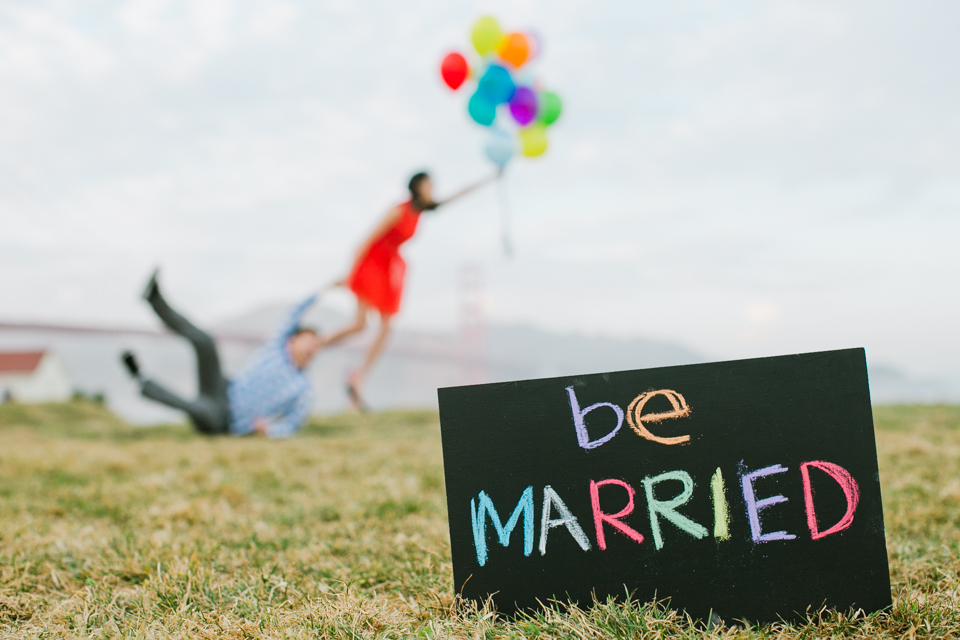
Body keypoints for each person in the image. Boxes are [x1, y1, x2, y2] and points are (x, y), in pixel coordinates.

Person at [324, 170, 498, 409]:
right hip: (373, 263)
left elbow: (457, 195)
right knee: (359, 325)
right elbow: (365, 241)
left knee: (384, 328)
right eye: (428, 185)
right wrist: (351, 274)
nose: (432, 189)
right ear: (417, 187)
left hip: (389, 267)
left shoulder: (421, 210)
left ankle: (358, 378)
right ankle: (317, 346)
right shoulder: (399, 210)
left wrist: (488, 178)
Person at [121, 271, 322, 438]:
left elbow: (292, 424)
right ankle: (155, 300)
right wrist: (324, 289)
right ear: (292, 341)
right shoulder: (275, 350)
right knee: (206, 343)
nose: (312, 349)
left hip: (226, 421)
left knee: (199, 409)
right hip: (221, 388)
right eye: (309, 342)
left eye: (316, 347)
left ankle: (141, 378)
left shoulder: (303, 389)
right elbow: (293, 314)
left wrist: (270, 430)